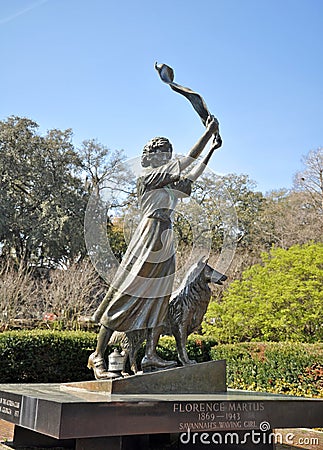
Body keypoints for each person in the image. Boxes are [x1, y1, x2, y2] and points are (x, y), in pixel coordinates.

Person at [88, 116, 221, 379]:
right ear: (150, 158)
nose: (167, 157)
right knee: (125, 294)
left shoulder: (168, 184)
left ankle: (150, 354)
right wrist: (206, 134)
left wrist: (212, 150)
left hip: (166, 236)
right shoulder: (148, 178)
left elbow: (190, 175)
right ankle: (98, 356)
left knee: (160, 298)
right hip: (148, 235)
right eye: (162, 154)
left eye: (168, 153)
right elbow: (185, 163)